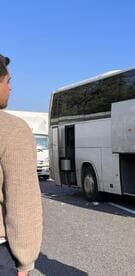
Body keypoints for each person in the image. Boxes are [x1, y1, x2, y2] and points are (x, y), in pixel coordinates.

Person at [0, 54, 43, 276]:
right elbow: (22, 201)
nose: (11, 88)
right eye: (8, 81)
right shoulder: (12, 129)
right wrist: (25, 263)